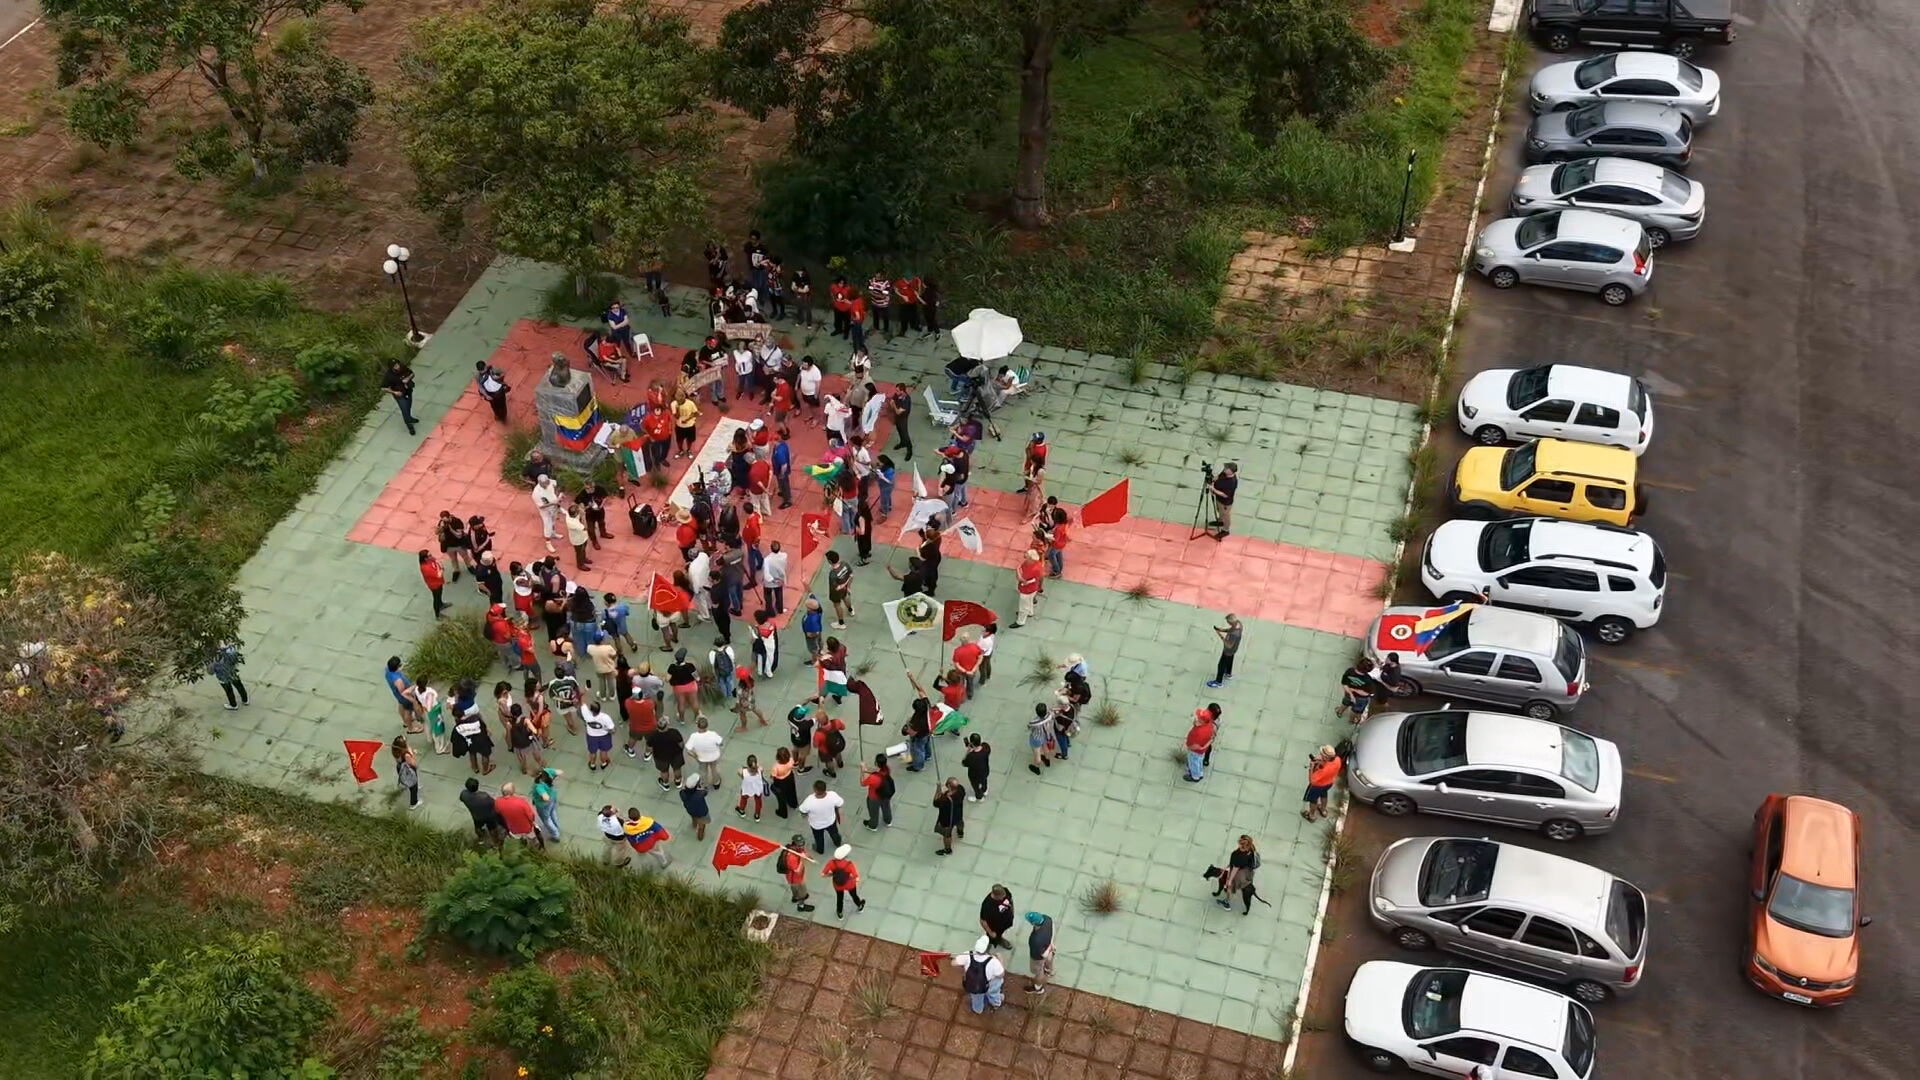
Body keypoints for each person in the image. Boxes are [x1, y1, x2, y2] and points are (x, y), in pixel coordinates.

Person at [954, 938, 1006, 1014]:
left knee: (976, 998)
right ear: (988, 949)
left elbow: (953, 963)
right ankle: (995, 1003)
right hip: (988, 983)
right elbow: (1001, 975)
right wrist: (1001, 960)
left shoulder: (968, 954)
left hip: (972, 984)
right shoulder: (993, 961)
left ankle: (978, 1010)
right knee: (995, 986)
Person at [1215, 835, 1262, 913]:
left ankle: (1227, 902)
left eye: (1239, 842)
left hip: (1239, 873)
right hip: (1248, 871)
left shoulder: (1237, 855)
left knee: (1229, 887)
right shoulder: (1251, 849)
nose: (1238, 842)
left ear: (1242, 845)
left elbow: (1234, 869)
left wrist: (1229, 881)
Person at [798, 779, 844, 854]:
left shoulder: (810, 800)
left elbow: (802, 811)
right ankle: (837, 843)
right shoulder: (832, 795)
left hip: (816, 825)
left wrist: (805, 815)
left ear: (815, 790)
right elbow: (840, 803)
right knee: (834, 833)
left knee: (819, 838)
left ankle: (820, 849)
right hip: (830, 821)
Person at [458, 777, 505, 848]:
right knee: (492, 828)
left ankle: (481, 838)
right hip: (489, 816)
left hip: (476, 816)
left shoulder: (464, 794)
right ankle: (496, 842)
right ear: (477, 786)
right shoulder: (484, 796)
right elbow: (494, 804)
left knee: (478, 827)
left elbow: (461, 799)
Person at [822, 844, 865, 918]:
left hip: (837, 884)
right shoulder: (849, 864)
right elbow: (856, 877)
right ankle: (860, 906)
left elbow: (823, 874)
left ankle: (840, 913)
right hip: (849, 884)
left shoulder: (831, 863)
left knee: (839, 899)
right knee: (854, 896)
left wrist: (832, 874)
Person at [902, 672, 934, 772]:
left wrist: (906, 728)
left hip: (920, 735)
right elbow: (920, 690)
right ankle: (928, 755)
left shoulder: (918, 721)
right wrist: (912, 678)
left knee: (918, 750)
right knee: (926, 743)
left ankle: (918, 766)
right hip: (928, 730)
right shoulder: (926, 703)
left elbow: (913, 732)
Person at [496, 782, 542, 848]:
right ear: (513, 791)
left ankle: (523, 846)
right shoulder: (521, 802)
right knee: (532, 837)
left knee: (518, 838)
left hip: (513, 828)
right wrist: (532, 822)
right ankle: (535, 846)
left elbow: (498, 812)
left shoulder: (498, 801)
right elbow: (531, 816)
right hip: (526, 827)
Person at [775, 835, 815, 912]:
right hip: (795, 879)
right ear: (795, 844)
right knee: (803, 893)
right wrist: (802, 859)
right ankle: (801, 906)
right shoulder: (791, 857)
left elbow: (804, 853)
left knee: (794, 889)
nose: (802, 846)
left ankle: (795, 897)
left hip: (793, 878)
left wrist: (809, 857)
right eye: (800, 844)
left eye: (802, 843)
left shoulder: (796, 848)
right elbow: (797, 870)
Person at [385, 656, 425, 733]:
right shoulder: (398, 680)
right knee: (408, 711)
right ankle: (411, 728)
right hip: (405, 697)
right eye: (400, 665)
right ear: (397, 667)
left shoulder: (388, 670)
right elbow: (404, 692)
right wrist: (412, 698)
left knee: (401, 705)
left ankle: (405, 721)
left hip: (398, 695)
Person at [1303, 745, 1343, 821]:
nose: (1320, 755)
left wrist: (1311, 768)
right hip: (1329, 783)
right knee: (1324, 794)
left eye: (1322, 755)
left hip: (1317, 786)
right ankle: (1323, 810)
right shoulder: (1338, 760)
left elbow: (1312, 781)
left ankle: (1311, 815)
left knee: (1313, 800)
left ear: (1326, 757)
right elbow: (1328, 764)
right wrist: (1321, 761)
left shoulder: (1324, 771)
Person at [380, 358, 419, 434]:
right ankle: (409, 425)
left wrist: (408, 378)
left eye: (397, 364)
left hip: (408, 391)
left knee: (408, 407)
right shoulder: (389, 375)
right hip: (400, 395)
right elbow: (383, 388)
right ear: (391, 367)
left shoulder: (403, 367)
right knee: (404, 410)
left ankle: (410, 418)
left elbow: (412, 373)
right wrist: (395, 392)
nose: (397, 366)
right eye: (395, 366)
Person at [686, 715, 726, 790]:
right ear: (707, 726)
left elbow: (688, 750)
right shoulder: (713, 734)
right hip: (714, 756)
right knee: (714, 769)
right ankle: (716, 783)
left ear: (698, 726)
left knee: (703, 771)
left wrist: (695, 756)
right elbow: (721, 743)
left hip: (701, 758)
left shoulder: (694, 736)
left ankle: (704, 784)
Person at [859, 754, 895, 831]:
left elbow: (862, 783)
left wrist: (862, 771)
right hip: (885, 795)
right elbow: (876, 771)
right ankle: (888, 821)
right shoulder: (886, 769)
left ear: (876, 763)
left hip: (874, 798)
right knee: (886, 808)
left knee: (874, 812)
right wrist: (866, 769)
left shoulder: (874, 778)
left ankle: (873, 825)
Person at [647, 721, 686, 791]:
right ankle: (678, 782)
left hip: (660, 757)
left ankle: (665, 784)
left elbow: (649, 748)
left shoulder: (653, 735)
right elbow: (681, 744)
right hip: (675, 755)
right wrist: (680, 750)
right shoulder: (674, 732)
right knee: (677, 768)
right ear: (667, 726)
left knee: (664, 771)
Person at [1336, 657, 1379, 721]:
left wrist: (1351, 694)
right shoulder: (1368, 680)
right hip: (1360, 698)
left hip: (1348, 693)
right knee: (1355, 710)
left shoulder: (1350, 671)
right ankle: (1352, 720)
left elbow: (1344, 684)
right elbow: (1366, 693)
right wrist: (1354, 691)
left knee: (1345, 703)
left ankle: (1339, 712)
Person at [1207, 614, 1243, 689]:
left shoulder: (1234, 634)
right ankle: (1228, 673)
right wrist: (1222, 630)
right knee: (1230, 660)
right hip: (1234, 649)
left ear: (1231, 622)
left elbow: (1229, 645)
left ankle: (1218, 682)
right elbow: (1231, 629)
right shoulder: (1239, 624)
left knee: (1221, 665)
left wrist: (1220, 635)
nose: (1228, 623)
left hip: (1228, 650)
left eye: (1228, 622)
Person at [1012, 548, 1044, 629]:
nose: (1025, 554)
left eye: (1027, 554)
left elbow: (1021, 578)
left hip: (1027, 590)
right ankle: (1030, 612)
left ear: (1030, 558)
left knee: (1023, 606)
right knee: (1029, 601)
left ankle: (1020, 621)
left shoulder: (1032, 570)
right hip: (1033, 588)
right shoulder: (1035, 564)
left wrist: (1018, 571)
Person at [1183, 706, 1217, 783]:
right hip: (1201, 751)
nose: (1197, 718)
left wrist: (1190, 747)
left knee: (1193, 762)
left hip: (1195, 751)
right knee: (1198, 761)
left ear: (1202, 721)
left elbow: (1195, 744)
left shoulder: (1200, 732)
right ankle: (1200, 773)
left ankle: (1195, 777)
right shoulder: (1209, 725)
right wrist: (1196, 724)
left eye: (1199, 718)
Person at [1024, 911, 1055, 993]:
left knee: (1038, 972)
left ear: (1033, 923)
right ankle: (1049, 971)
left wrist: (1048, 947)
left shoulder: (1035, 940)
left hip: (1038, 957)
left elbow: (1044, 955)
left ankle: (1038, 988)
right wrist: (1051, 944)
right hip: (1049, 948)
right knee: (1049, 959)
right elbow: (1052, 929)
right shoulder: (1047, 919)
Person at [210, 642, 248, 710]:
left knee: (229, 691)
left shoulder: (214, 660)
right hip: (232, 673)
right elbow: (236, 658)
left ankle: (233, 705)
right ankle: (245, 700)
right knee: (239, 686)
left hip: (223, 677)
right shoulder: (231, 652)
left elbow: (211, 672)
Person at [667, 648, 701, 724]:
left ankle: (682, 719)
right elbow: (697, 678)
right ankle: (696, 717)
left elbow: (667, 679)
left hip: (679, 688)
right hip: (691, 687)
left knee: (681, 703)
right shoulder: (690, 666)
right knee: (694, 702)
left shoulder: (672, 667)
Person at [582, 698, 617, 771]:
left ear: (591, 710)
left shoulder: (586, 714)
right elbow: (613, 730)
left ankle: (592, 764)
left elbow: (582, 701)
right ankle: (604, 763)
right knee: (604, 751)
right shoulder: (605, 717)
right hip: (604, 736)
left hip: (591, 736)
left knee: (592, 752)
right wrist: (608, 730)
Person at [933, 777, 965, 856]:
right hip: (958, 813)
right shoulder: (961, 789)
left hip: (947, 819)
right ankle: (960, 832)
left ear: (949, 787)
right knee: (960, 822)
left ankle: (947, 850)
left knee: (947, 835)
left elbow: (935, 803)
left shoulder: (945, 799)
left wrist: (938, 789)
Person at [979, 885, 1016, 950]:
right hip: (994, 926)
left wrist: (1012, 911)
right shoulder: (987, 905)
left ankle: (999, 939)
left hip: (1005, 920)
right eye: (1001, 897)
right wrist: (990, 932)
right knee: (992, 938)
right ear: (996, 895)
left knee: (1001, 932)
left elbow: (1010, 900)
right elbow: (983, 921)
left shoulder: (1005, 892)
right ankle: (986, 946)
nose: (1003, 899)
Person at [824, 552, 855, 628]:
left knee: (837, 605)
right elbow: (851, 575)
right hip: (845, 588)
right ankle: (851, 610)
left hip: (836, 592)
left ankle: (841, 623)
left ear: (830, 561)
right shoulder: (845, 564)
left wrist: (840, 587)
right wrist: (848, 587)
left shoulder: (832, 574)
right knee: (845, 597)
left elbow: (836, 587)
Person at [678, 773, 712, 840]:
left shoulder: (682, 793)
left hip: (690, 810)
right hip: (702, 812)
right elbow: (706, 791)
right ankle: (700, 837)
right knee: (702, 826)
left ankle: (694, 825)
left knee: (694, 817)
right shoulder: (700, 794)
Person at [531, 767, 562, 842]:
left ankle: (555, 834)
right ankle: (557, 826)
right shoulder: (547, 771)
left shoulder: (539, 786)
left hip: (543, 805)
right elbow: (560, 771)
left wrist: (543, 797)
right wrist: (554, 779)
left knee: (546, 819)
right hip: (553, 797)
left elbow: (546, 798)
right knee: (553, 812)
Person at [1209, 462, 1239, 536]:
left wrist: (1213, 489)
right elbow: (1218, 477)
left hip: (1225, 502)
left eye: (1226, 468)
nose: (1224, 469)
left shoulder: (1231, 482)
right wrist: (1213, 480)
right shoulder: (1224, 473)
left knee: (1226, 515)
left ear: (1230, 471)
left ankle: (1226, 529)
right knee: (1219, 510)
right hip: (1219, 499)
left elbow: (1225, 495)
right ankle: (1220, 521)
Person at [532, 475, 563, 547]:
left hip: (554, 507)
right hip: (545, 511)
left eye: (547, 482)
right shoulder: (536, 493)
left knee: (553, 521)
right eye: (545, 484)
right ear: (540, 483)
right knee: (547, 525)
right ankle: (548, 543)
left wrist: (558, 495)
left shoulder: (550, 482)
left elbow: (556, 485)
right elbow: (541, 506)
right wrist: (552, 503)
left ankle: (553, 533)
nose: (547, 485)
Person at [392, 736, 421, 810]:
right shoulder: (406, 755)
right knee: (413, 785)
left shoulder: (395, 750)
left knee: (408, 780)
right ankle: (414, 803)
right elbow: (413, 763)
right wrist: (412, 754)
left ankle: (410, 785)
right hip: (408, 770)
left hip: (400, 767)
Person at [1025, 702, 1053, 776]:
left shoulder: (1034, 722)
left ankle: (1036, 767)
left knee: (1037, 754)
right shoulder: (1049, 716)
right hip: (1045, 735)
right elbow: (1051, 712)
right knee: (1045, 749)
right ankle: (1047, 761)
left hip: (1036, 738)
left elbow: (1029, 727)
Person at [962, 733, 991, 801]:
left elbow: (964, 763)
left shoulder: (971, 756)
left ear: (972, 743)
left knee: (976, 786)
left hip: (975, 776)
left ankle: (979, 797)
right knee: (984, 780)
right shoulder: (986, 747)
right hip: (985, 771)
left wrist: (968, 751)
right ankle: (984, 790)